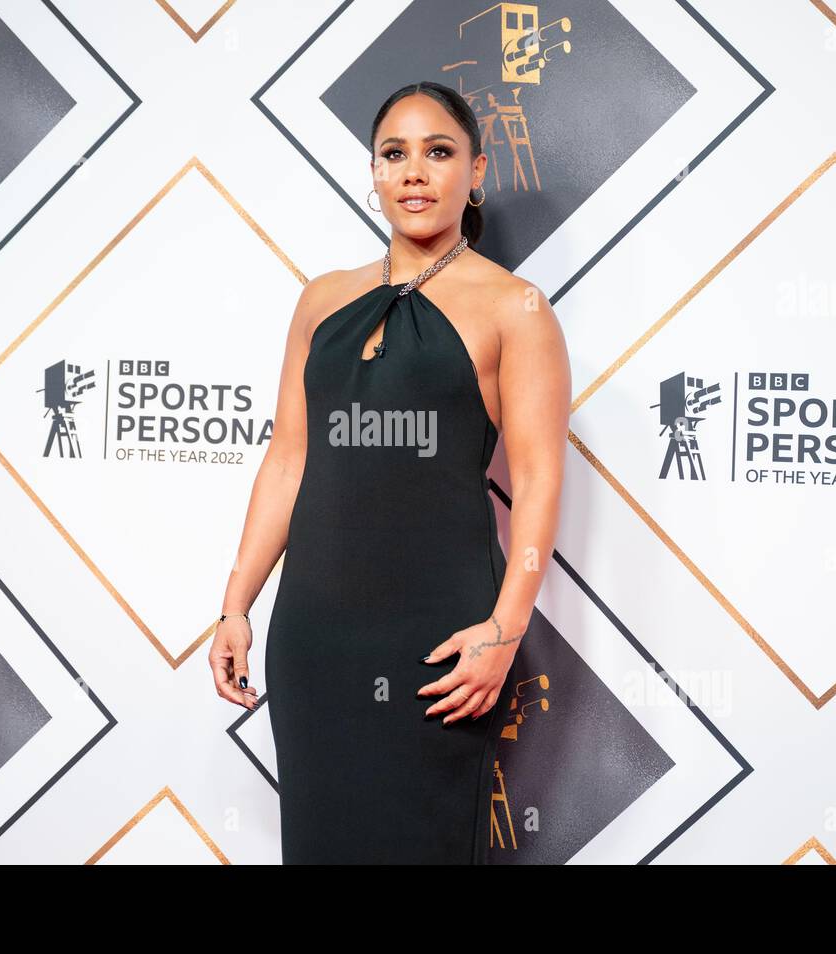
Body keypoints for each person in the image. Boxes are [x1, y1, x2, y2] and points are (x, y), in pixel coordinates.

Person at [208, 80, 570, 863]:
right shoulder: (321, 299)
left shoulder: (517, 307)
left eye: (439, 152)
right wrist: (236, 604)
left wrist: (504, 633)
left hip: (440, 640)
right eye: (394, 153)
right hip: (314, 640)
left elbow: (539, 480)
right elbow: (289, 461)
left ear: (476, 172)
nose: (414, 171)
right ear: (372, 173)